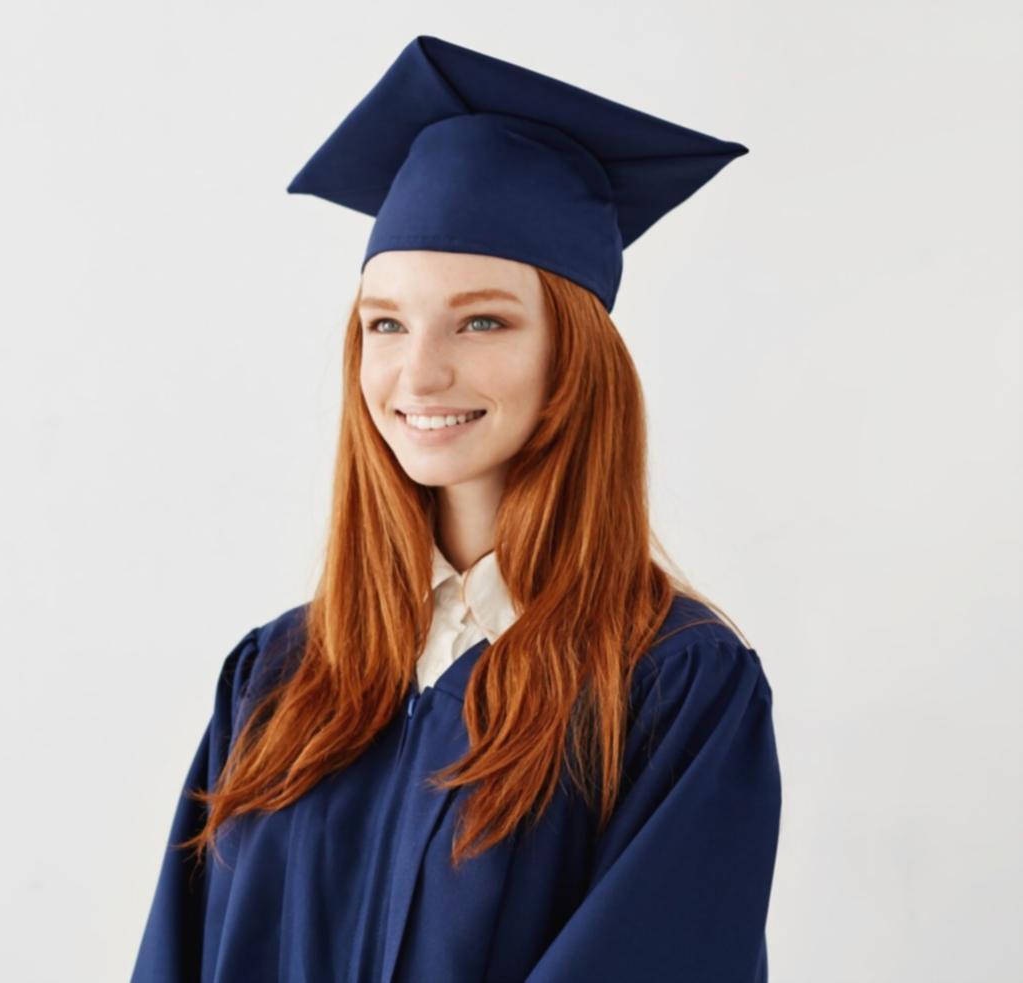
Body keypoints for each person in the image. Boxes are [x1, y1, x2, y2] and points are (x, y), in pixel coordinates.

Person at [131, 35, 780, 983]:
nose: (419, 371)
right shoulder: (279, 675)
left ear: (574, 355)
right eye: (385, 323)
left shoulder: (671, 687)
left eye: (482, 320)